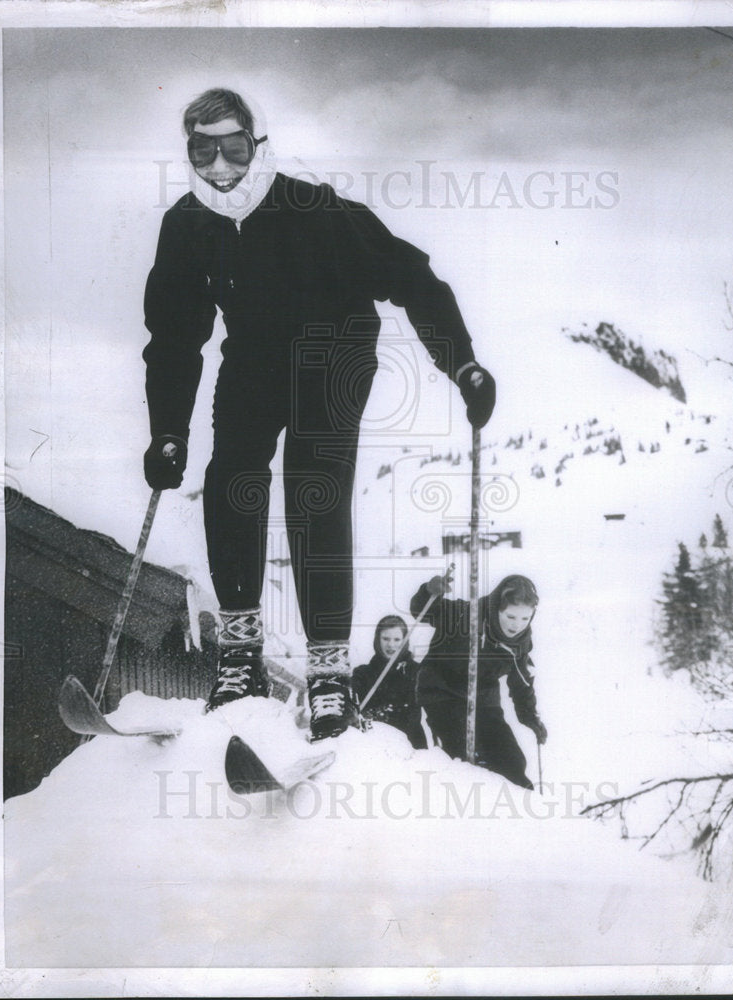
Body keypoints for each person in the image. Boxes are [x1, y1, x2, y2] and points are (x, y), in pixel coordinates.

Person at [142, 87, 496, 741]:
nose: (220, 167)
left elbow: (414, 278)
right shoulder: (187, 226)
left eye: (234, 149)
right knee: (230, 479)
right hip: (254, 356)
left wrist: (463, 365)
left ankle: (330, 675)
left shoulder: (320, 212)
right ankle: (240, 655)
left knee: (314, 490)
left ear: (260, 145)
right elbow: (173, 336)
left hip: (334, 354)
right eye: (202, 151)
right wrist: (167, 431)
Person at [410, 573, 547, 788]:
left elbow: (521, 681)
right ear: (497, 608)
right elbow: (422, 610)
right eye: (511, 616)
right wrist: (430, 591)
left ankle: (521, 802)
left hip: (484, 699)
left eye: (525, 618)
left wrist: (529, 716)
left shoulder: (520, 642)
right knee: (465, 753)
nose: (516, 625)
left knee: (511, 759)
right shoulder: (467, 614)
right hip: (442, 691)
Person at [351, 615, 427, 750]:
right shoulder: (363, 674)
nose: (391, 645)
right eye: (385, 639)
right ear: (377, 639)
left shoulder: (416, 672)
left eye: (397, 639)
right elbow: (353, 711)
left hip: (411, 746)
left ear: (405, 641)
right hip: (375, 747)